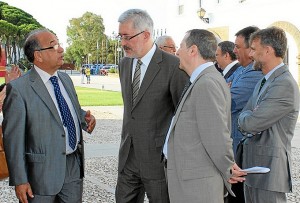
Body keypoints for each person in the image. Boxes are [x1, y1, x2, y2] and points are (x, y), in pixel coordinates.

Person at [2, 28, 96, 203]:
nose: (60, 49)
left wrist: (85, 119)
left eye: (59, 44)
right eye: (53, 46)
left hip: (72, 168)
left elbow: (70, 111)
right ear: (38, 55)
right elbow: (12, 139)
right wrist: (20, 180)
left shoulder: (66, 80)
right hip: (40, 176)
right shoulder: (19, 89)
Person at [164, 29, 246, 203]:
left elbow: (216, 136)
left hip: (197, 187)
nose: (177, 52)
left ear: (193, 50)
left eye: (181, 46)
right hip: (192, 182)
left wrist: (228, 168)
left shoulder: (206, 83)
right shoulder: (203, 79)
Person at [116, 9, 188, 203]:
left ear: (146, 35)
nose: (123, 43)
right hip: (128, 158)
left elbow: (184, 115)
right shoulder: (124, 64)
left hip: (159, 162)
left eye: (127, 37)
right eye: (120, 36)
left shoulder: (174, 66)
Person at [238, 26, 299, 203]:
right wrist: (248, 116)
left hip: (268, 171)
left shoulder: (284, 84)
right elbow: (246, 114)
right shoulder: (266, 80)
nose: (250, 54)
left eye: (254, 49)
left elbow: (250, 123)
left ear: (267, 50)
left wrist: (248, 117)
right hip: (255, 169)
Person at [225, 26, 264, 203]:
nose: (234, 51)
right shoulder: (241, 70)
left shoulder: (254, 73)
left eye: (237, 46)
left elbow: (227, 101)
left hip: (240, 149)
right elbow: (220, 92)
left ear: (250, 49)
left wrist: (225, 90)